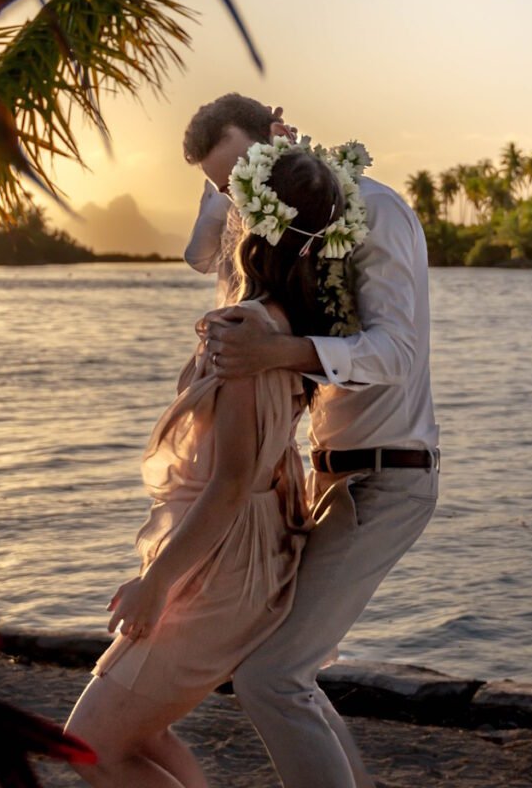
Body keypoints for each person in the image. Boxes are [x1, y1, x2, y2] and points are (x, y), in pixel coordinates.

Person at [65, 144, 363, 787]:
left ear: (251, 225)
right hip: (242, 558)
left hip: (222, 571)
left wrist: (159, 584)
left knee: (88, 745)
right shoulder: (282, 328)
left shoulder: (247, 329)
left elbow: (231, 483)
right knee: (139, 730)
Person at [183, 92, 440, 788]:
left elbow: (395, 354)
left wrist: (279, 354)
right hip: (329, 479)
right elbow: (200, 254)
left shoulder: (374, 210)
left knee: (272, 676)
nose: (243, 196)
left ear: (281, 136)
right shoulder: (275, 228)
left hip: (388, 475)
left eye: (248, 172)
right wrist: (225, 190)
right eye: (225, 185)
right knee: (282, 666)